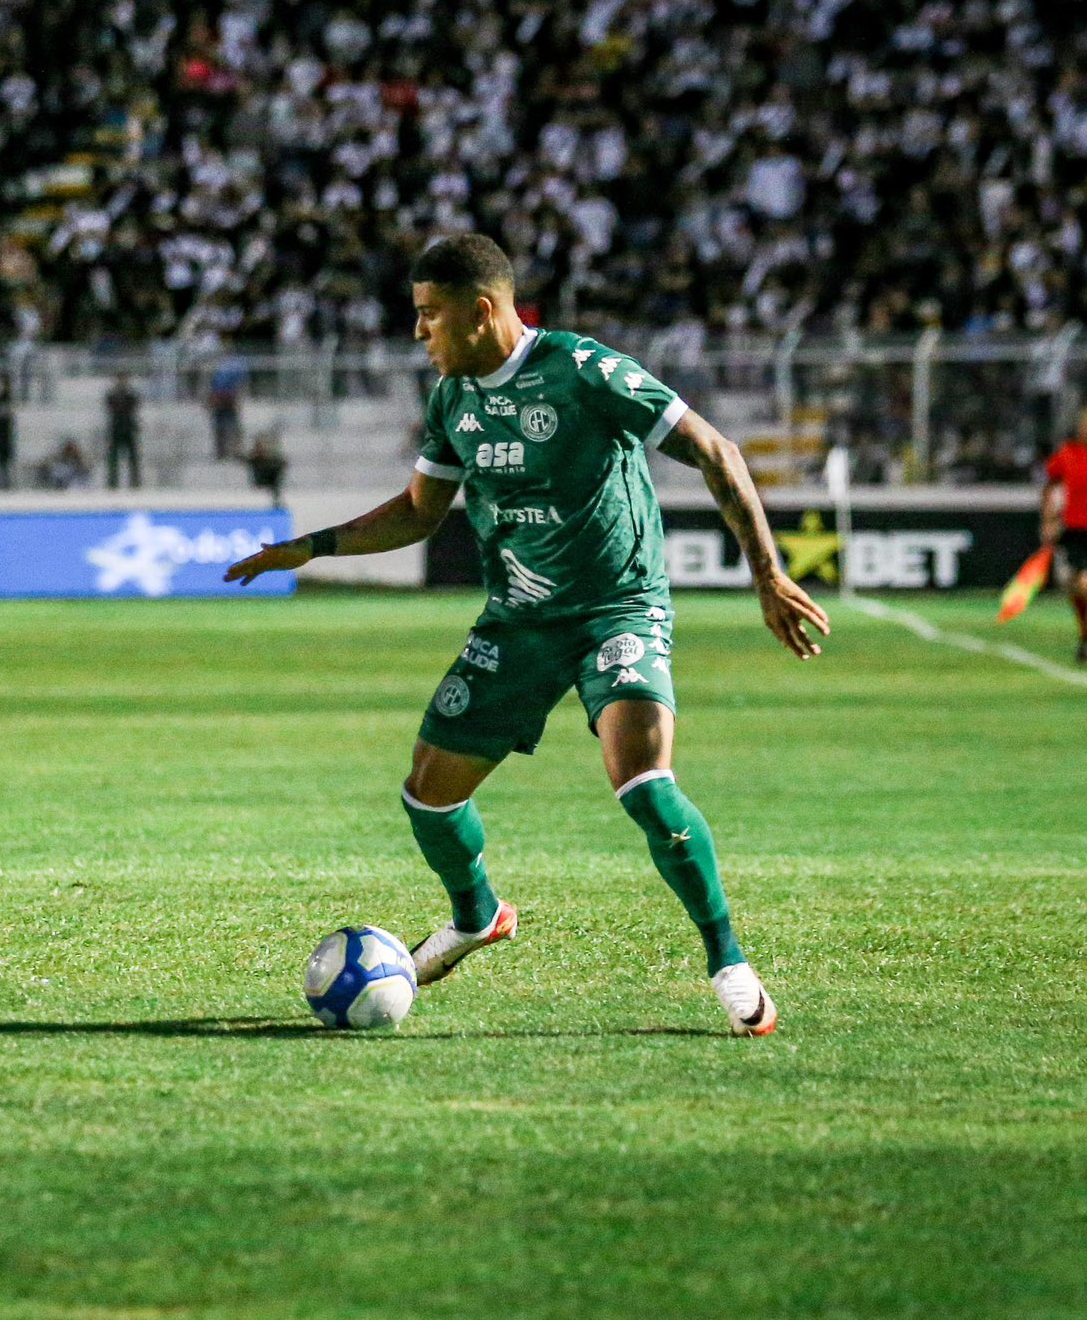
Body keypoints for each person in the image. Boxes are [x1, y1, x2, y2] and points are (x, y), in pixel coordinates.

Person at [225, 234, 830, 1037]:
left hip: (619, 607)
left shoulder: (584, 372)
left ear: (483, 311)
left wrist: (767, 573)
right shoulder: (451, 401)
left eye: (430, 315)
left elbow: (714, 449)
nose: (419, 333)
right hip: (518, 621)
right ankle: (477, 916)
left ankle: (728, 959)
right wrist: (308, 547)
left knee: (643, 780)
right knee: (427, 792)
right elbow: (416, 511)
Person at [1040, 409, 1087, 663]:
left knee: (1083, 584)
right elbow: (1051, 488)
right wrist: (1048, 521)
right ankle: (1084, 636)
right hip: (1075, 530)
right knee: (1075, 588)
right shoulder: (1067, 455)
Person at [105, 373, 142, 488]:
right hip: (116, 428)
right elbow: (111, 406)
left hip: (128, 428)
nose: (122, 381)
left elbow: (134, 406)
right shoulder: (112, 394)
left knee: (133, 457)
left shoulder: (131, 394)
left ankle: (135, 481)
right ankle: (112, 482)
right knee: (113, 457)